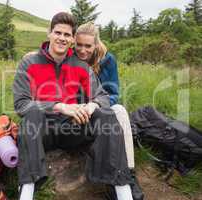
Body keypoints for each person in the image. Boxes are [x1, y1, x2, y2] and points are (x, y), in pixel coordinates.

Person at [13, 12, 134, 200]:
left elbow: (101, 95)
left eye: (67, 35)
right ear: (49, 33)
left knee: (107, 115)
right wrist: (59, 106)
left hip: (71, 129)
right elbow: (21, 104)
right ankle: (26, 193)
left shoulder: (80, 65)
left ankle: (124, 192)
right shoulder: (29, 62)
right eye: (58, 33)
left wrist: (92, 106)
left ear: (72, 39)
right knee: (32, 115)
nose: (62, 38)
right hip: (41, 129)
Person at [75, 22, 144, 200]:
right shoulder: (69, 59)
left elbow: (113, 94)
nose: (82, 50)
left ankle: (127, 175)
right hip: (76, 113)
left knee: (119, 110)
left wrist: (96, 104)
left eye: (88, 46)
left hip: (99, 109)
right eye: (79, 45)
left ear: (96, 44)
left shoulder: (108, 60)